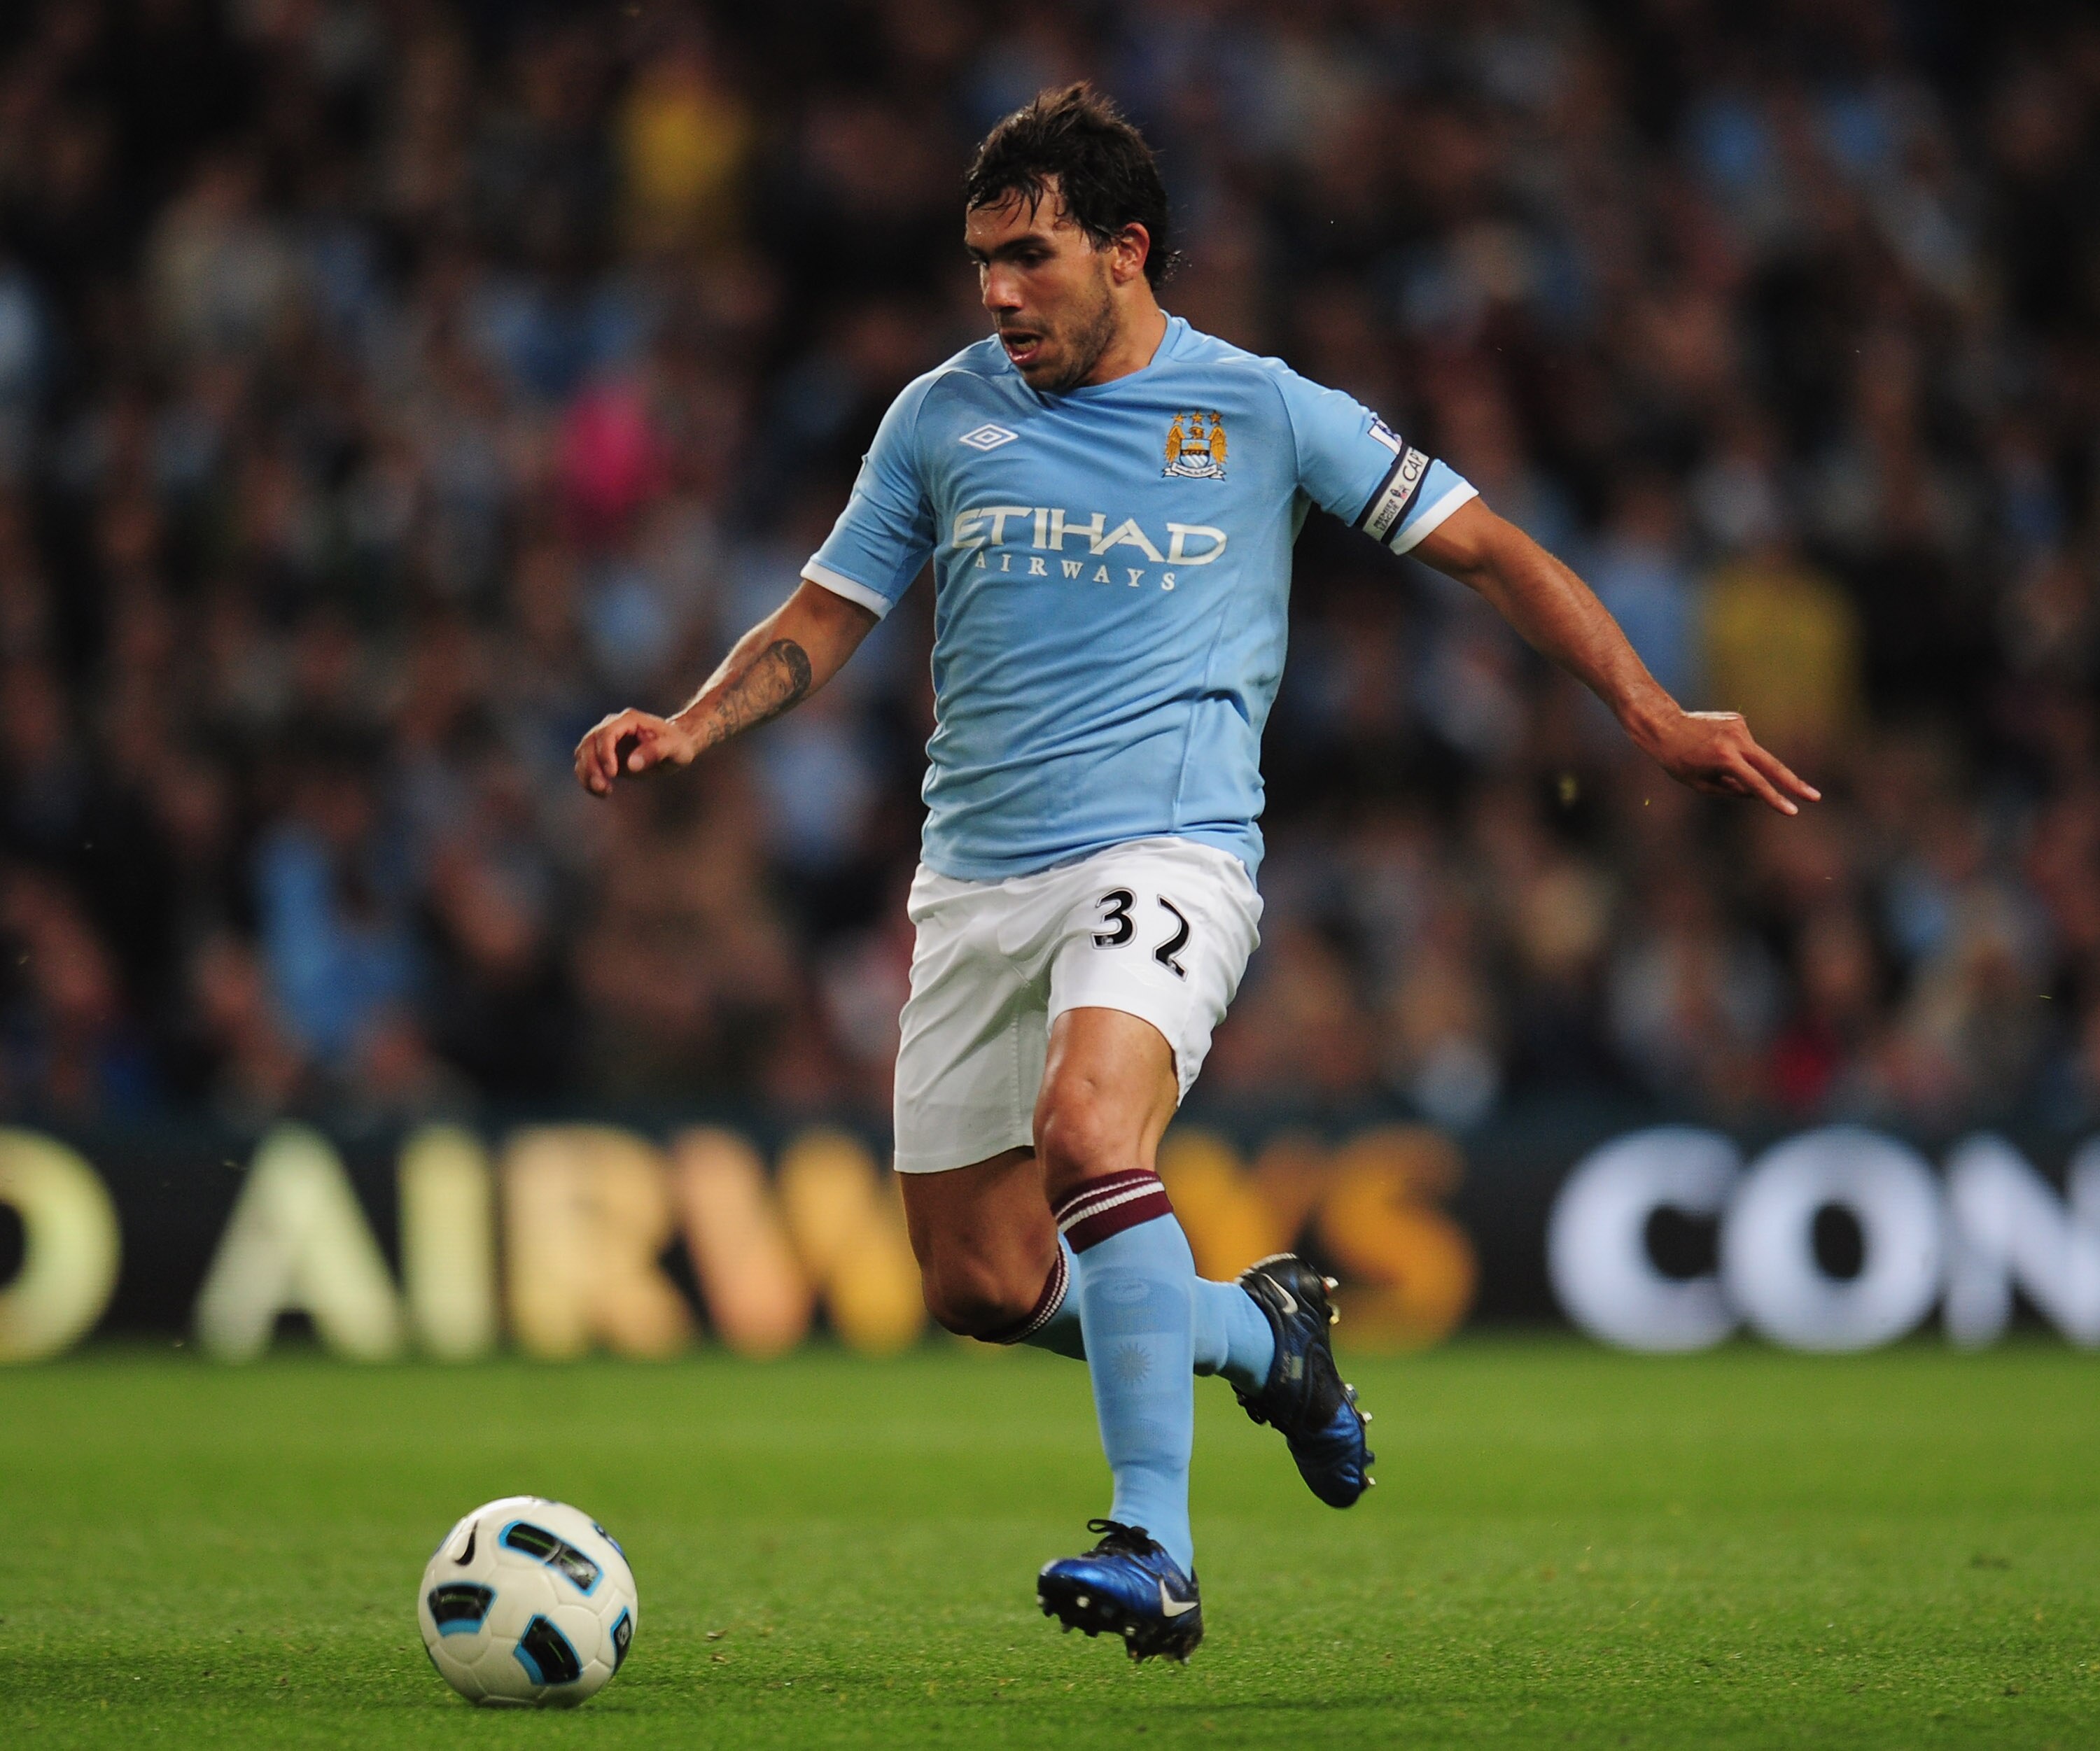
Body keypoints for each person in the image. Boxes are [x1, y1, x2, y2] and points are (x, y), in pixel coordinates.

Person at [573, 84, 1818, 1664]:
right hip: (974, 886)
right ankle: (1260, 1333)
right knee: (976, 1281)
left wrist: (1645, 706)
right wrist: (692, 726)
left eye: (1029, 257)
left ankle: (1154, 1538)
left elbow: (1494, 547)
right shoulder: (939, 416)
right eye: (981, 263)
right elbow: (825, 617)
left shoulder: (1266, 409)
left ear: (1127, 248)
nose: (1000, 293)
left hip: (1169, 850)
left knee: (1090, 1126)